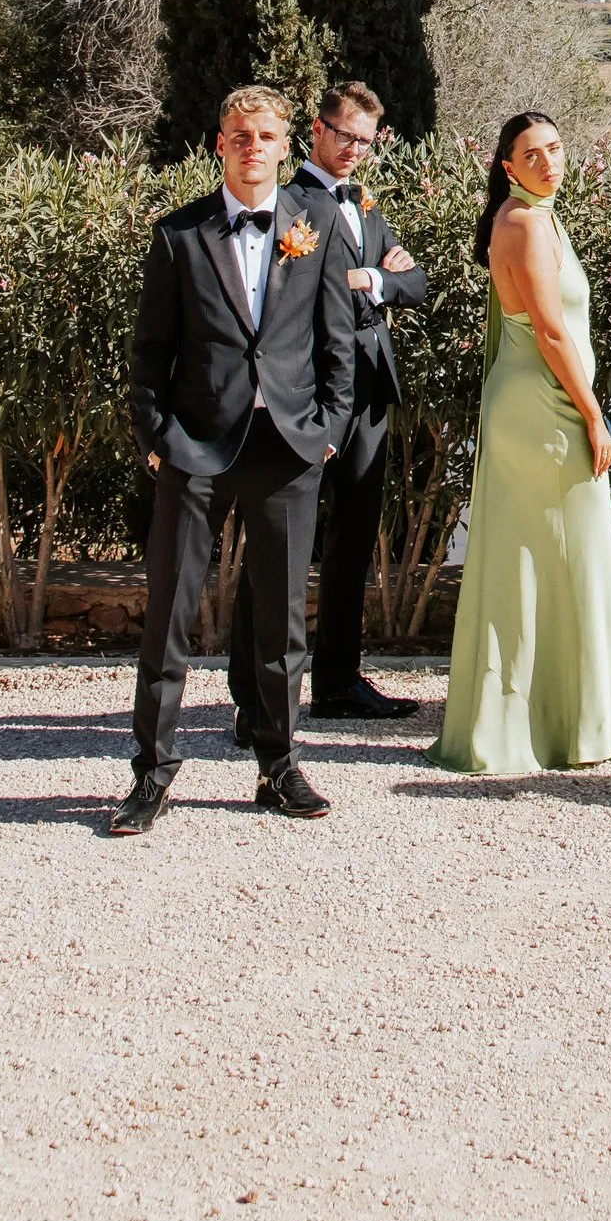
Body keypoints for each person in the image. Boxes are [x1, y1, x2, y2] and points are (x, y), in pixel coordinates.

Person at [107, 83, 355, 837]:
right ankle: (151, 774)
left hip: (286, 448)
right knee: (170, 617)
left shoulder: (317, 224)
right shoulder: (177, 235)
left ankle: (278, 766)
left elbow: (336, 338)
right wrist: (157, 442)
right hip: (197, 449)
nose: (254, 148)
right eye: (240, 136)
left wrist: (329, 430)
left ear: (287, 146)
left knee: (280, 621)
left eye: (267, 137)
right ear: (220, 145)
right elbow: (148, 354)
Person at [432, 112, 611, 776]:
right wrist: (593, 415)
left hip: (538, 398)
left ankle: (577, 720)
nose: (549, 162)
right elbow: (552, 333)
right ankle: (577, 726)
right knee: (569, 557)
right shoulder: (523, 223)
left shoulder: (538, 216)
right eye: (533, 154)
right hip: (543, 407)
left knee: (554, 561)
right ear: (508, 167)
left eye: (554, 149)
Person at [225, 76, 428, 737]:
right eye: (344, 135)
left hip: (368, 392)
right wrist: (372, 278)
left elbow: (415, 279)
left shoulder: (363, 202)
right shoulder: (291, 201)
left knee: (353, 543)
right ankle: (252, 693)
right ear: (316, 130)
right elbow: (291, 292)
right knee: (281, 544)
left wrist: (375, 278)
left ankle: (338, 681)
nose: (354, 150)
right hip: (305, 394)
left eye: (365, 142)